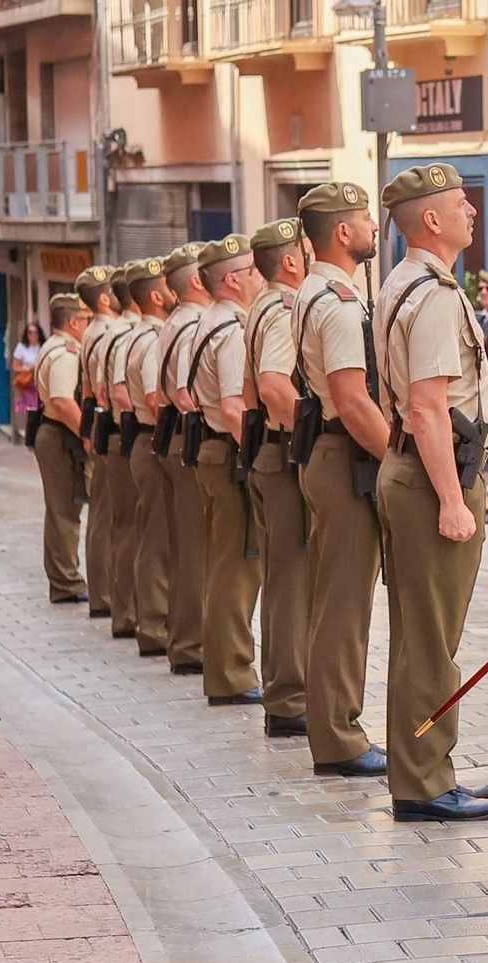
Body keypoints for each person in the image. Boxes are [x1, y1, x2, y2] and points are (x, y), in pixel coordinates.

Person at [375, 163, 488, 822]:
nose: (471, 213)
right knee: (430, 641)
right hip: (434, 478)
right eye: (461, 204)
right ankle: (424, 783)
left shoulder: (411, 283)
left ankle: (424, 770)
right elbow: (426, 408)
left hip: (421, 473)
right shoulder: (430, 294)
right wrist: (453, 500)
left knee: (421, 636)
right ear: (431, 219)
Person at [294, 181, 388, 776]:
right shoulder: (336, 301)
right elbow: (353, 401)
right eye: (365, 219)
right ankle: (338, 737)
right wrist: (400, 460)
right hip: (343, 453)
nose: (375, 228)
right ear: (344, 232)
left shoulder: (319, 292)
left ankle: (335, 727)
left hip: (328, 454)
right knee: (343, 608)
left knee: (335, 601)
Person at [187, 235, 265, 706]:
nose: (259, 278)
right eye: (252, 271)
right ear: (232, 279)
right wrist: (257, 459)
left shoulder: (207, 322)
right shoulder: (232, 329)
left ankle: (226, 668)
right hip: (229, 452)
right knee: (236, 571)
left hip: (212, 451)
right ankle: (232, 674)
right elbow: (236, 407)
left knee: (224, 567)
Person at [244, 219, 311, 738]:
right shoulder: (284, 311)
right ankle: (289, 699)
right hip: (284, 456)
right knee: (291, 582)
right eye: (305, 250)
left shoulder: (261, 306)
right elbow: (271, 385)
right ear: (290, 261)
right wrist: (306, 440)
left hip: (267, 453)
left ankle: (285, 692)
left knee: (283, 578)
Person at [153, 243, 211, 677]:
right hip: (189, 435)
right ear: (196, 281)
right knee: (196, 550)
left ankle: (186, 638)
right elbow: (185, 393)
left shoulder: (176, 322)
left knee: (186, 545)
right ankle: (191, 645)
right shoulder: (192, 324)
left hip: (172, 436)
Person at [123, 257, 175, 659]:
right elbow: (159, 400)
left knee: (152, 535)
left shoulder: (138, 336)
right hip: (154, 438)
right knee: (158, 539)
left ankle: (153, 620)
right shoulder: (152, 340)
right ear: (157, 295)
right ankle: (155, 626)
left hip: (143, 440)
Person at [33, 293, 92, 604]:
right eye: (85, 320)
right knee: (64, 511)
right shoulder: (67, 354)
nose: (88, 326)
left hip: (55, 433)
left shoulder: (52, 348)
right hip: (60, 436)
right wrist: (87, 433)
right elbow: (61, 399)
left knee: (62, 509)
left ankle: (64, 578)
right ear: (72, 322)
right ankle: (66, 582)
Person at [100, 262, 143, 642]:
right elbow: (116, 392)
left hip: (123, 432)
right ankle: (128, 612)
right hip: (132, 434)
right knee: (134, 529)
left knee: (124, 525)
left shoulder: (115, 334)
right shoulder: (128, 334)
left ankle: (125, 609)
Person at [75, 265, 120, 620]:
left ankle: (103, 593)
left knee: (105, 512)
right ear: (105, 298)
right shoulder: (106, 332)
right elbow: (102, 388)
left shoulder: (92, 331)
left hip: (99, 420)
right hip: (111, 421)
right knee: (109, 514)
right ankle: (104, 594)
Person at [13, 323, 43, 427]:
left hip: (41, 381)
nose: (33, 335)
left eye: (36, 332)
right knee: (30, 408)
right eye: (30, 332)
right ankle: (30, 430)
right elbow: (16, 366)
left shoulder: (43, 346)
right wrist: (28, 368)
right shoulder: (21, 347)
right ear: (26, 334)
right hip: (28, 382)